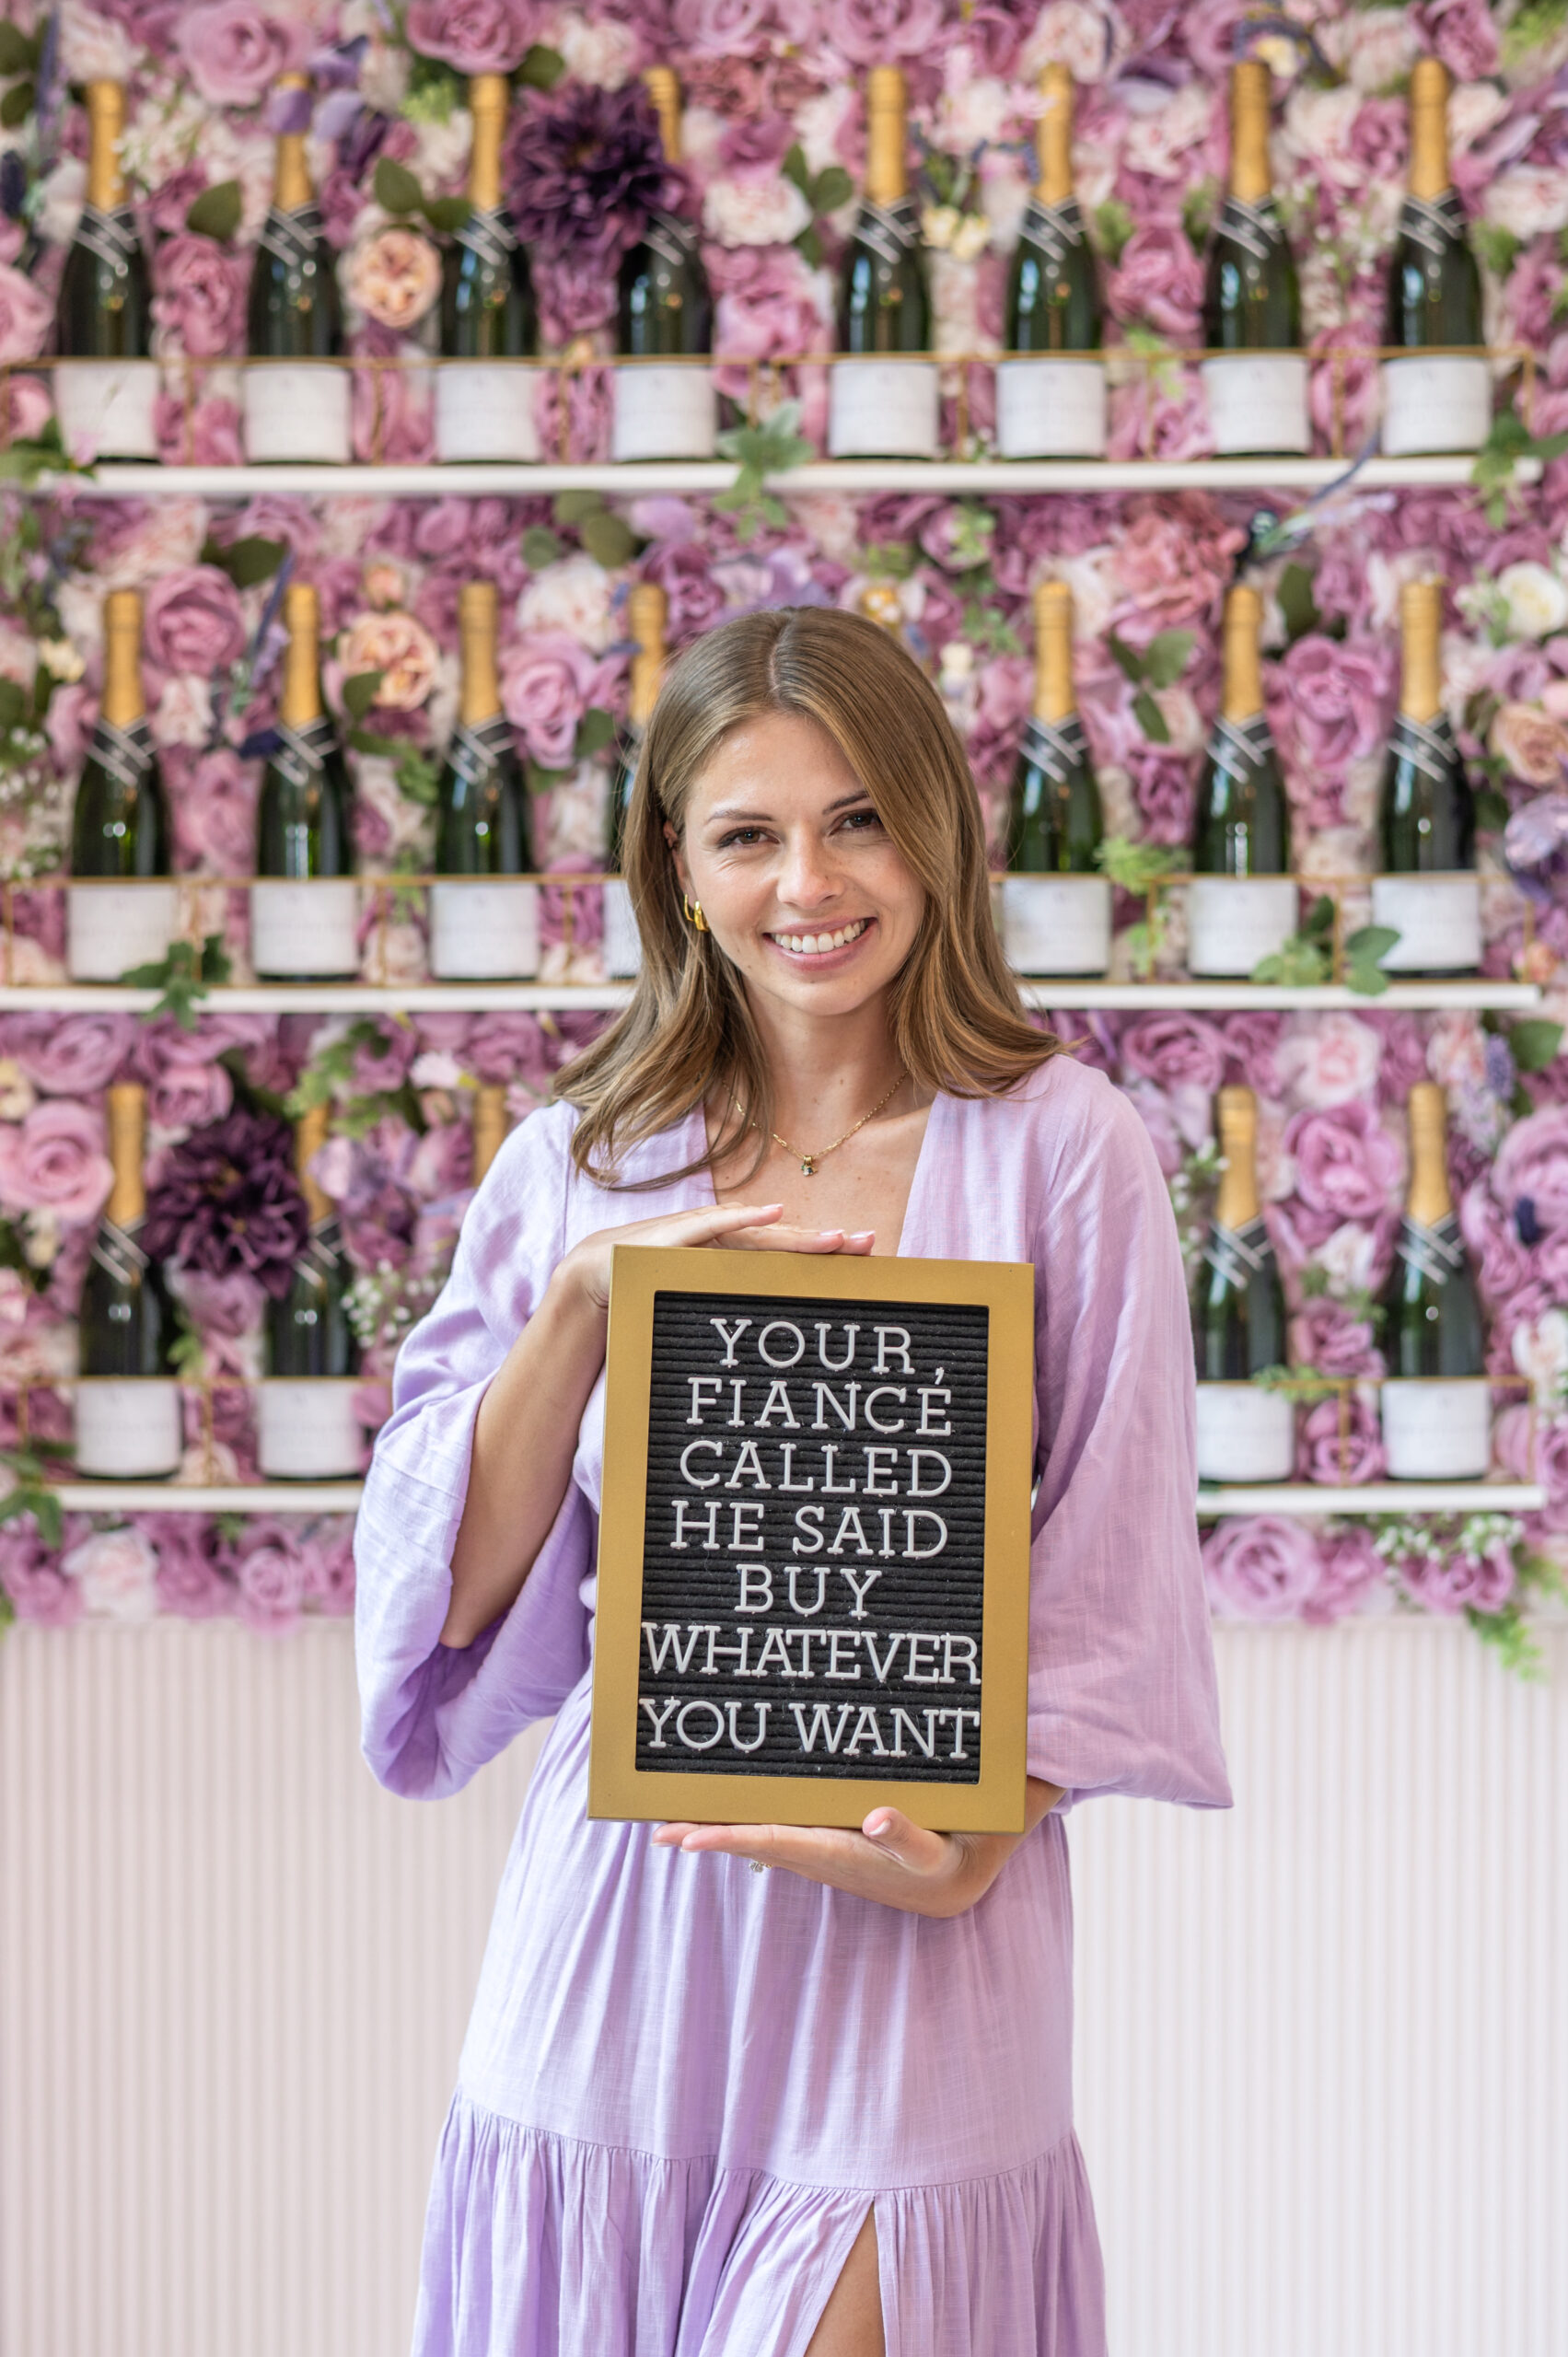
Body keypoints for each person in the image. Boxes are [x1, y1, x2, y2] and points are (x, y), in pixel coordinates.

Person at [354, 604, 1232, 2357]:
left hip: (923, 1943)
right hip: (626, 1920)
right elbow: (444, 1593)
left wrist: (975, 1841)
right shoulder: (576, 1164)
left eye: (856, 819)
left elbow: (1115, 1558)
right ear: (678, 870)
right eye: (747, 834)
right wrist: (590, 1309)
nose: (808, 881)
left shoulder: (1069, 1150)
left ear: (934, 834)